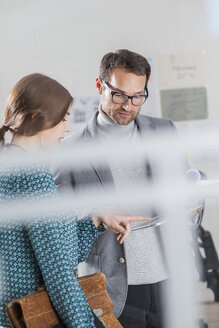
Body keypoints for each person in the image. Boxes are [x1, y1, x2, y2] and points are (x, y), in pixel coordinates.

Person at [0, 73, 149, 328]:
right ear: (38, 116)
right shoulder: (32, 174)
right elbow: (60, 274)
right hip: (38, 317)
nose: (67, 128)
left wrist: (96, 218)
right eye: (64, 119)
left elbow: (55, 251)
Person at [52, 49, 179, 328]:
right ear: (100, 86)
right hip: (113, 286)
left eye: (137, 97)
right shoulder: (70, 150)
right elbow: (57, 212)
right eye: (119, 95)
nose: (128, 105)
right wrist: (95, 210)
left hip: (171, 278)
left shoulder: (165, 131)